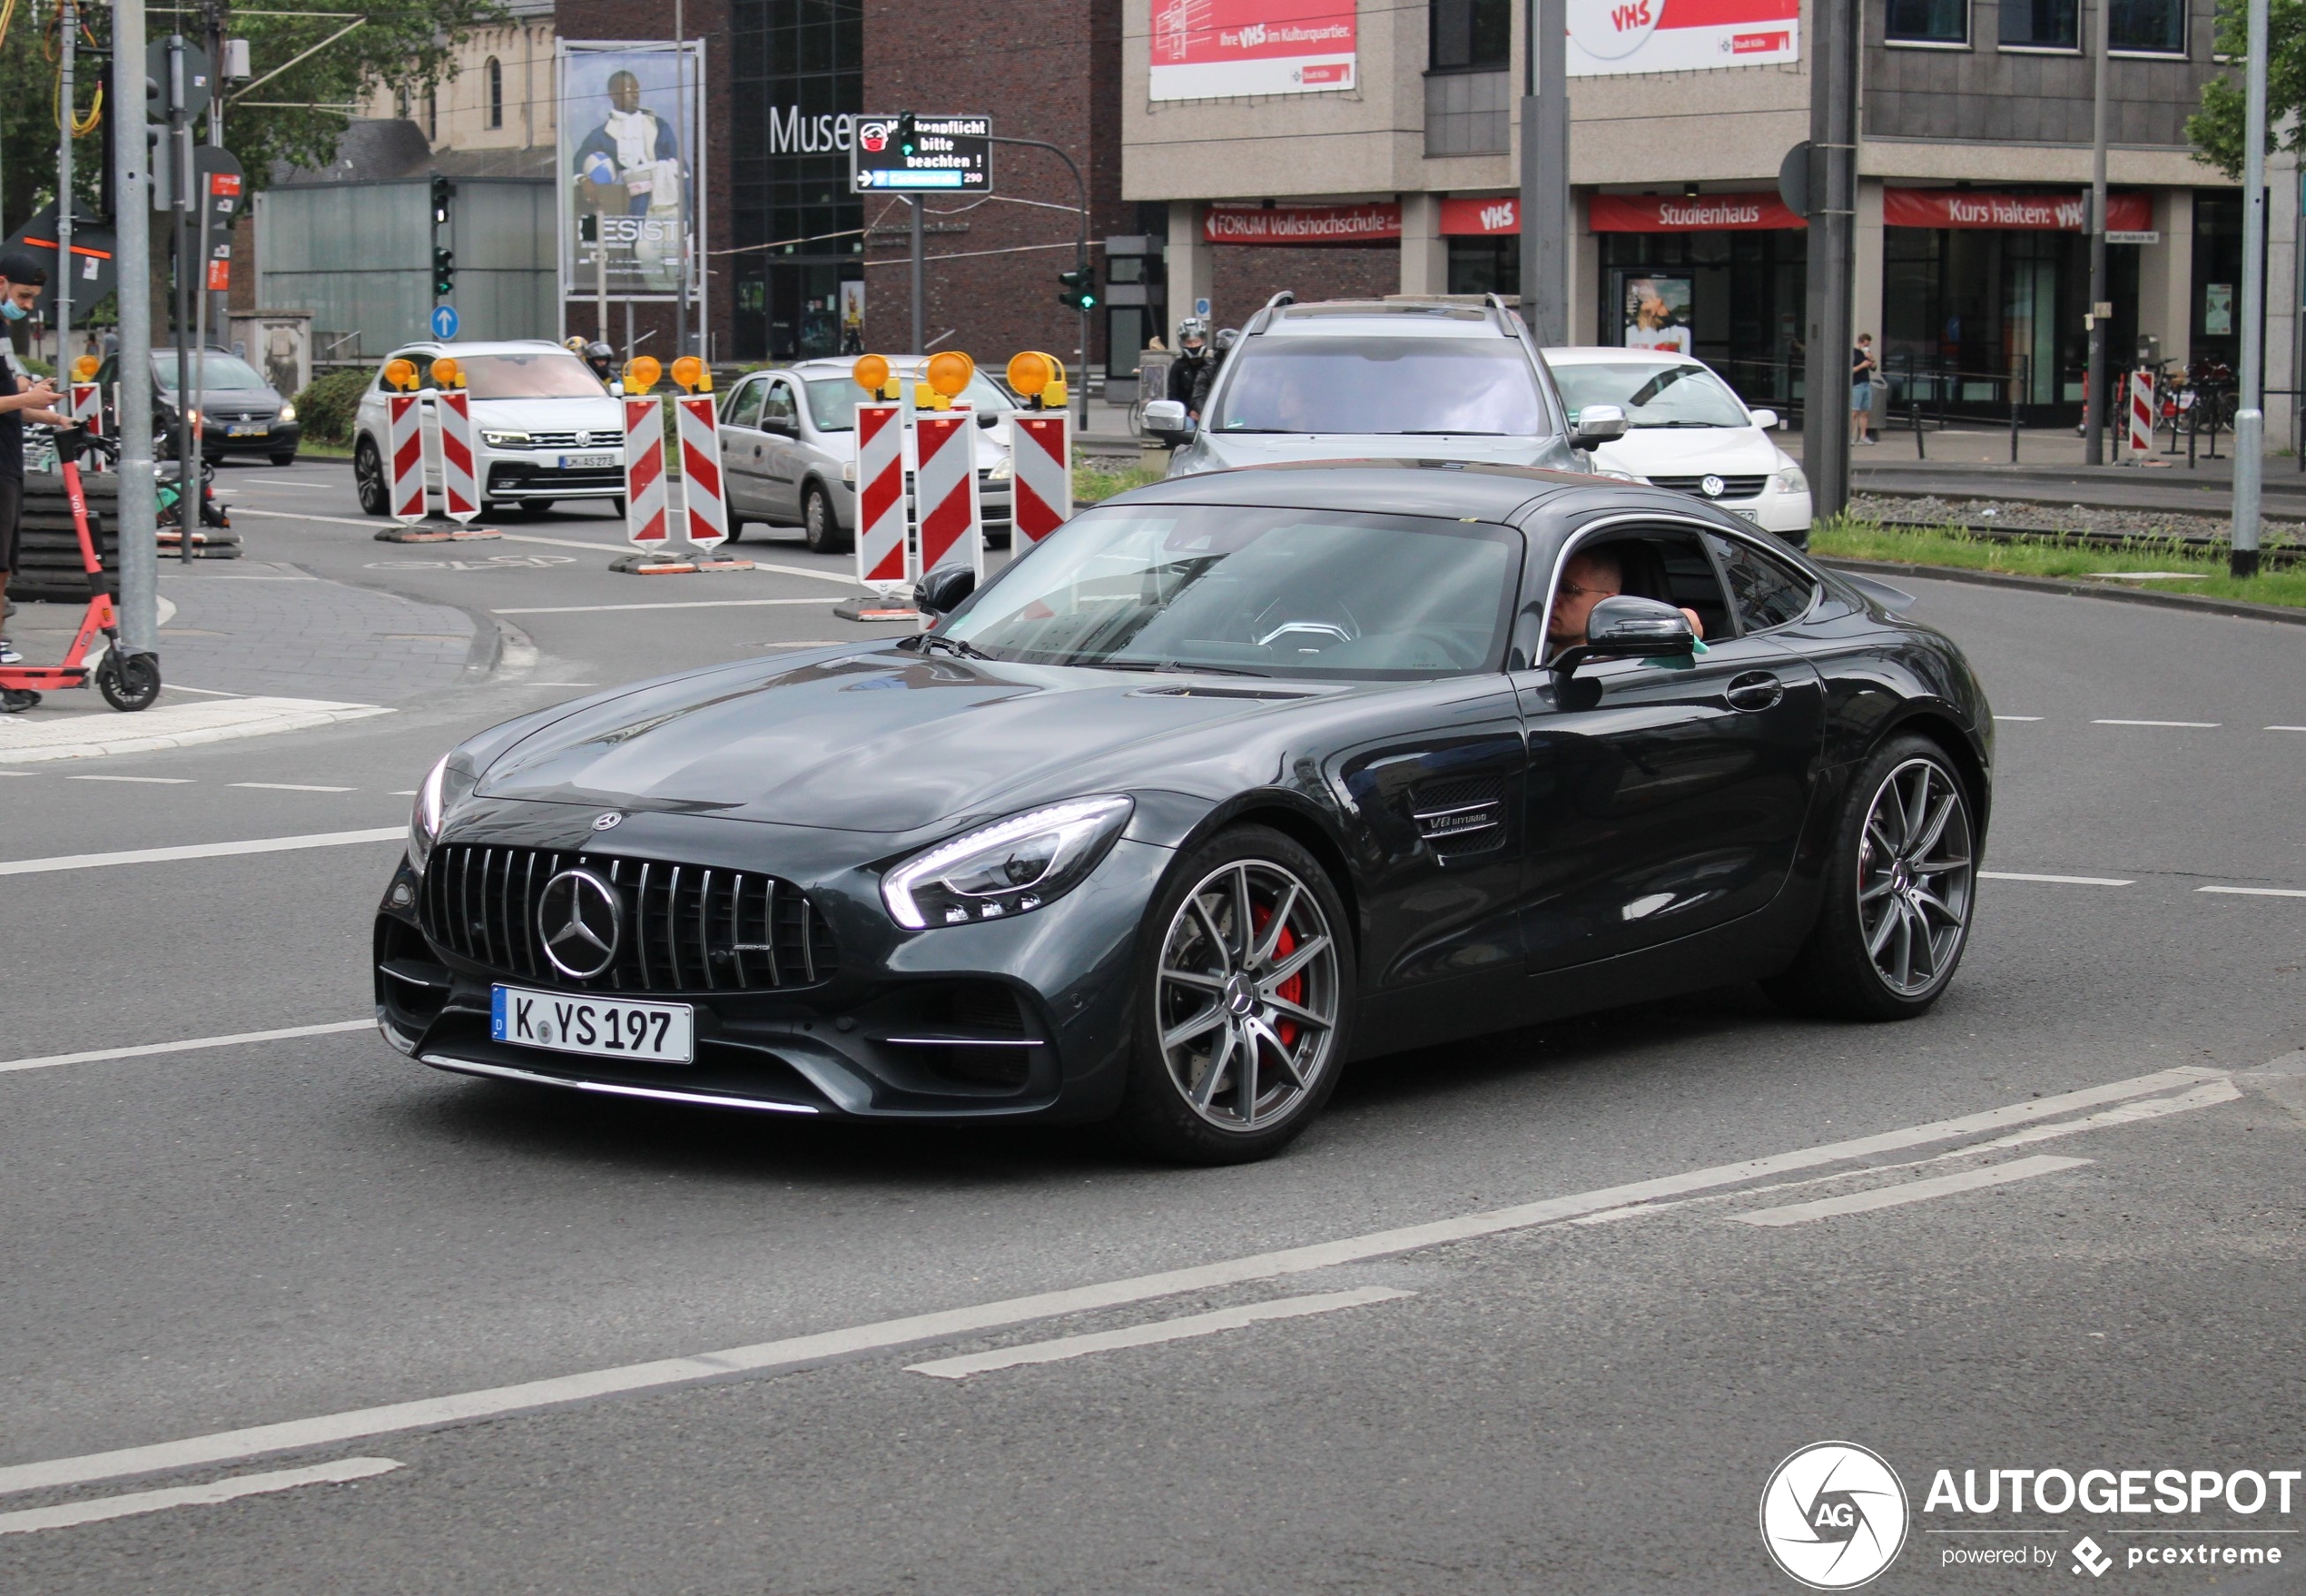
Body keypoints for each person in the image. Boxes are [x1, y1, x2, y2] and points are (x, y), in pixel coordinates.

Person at [0, 251, 71, 703]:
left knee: (4, 565)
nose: (27, 306)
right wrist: (30, 398)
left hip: (8, 462)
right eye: (23, 296)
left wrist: (54, 417)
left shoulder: (3, 334)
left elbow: (11, 403)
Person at [1546, 545, 1702, 662]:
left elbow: (1692, 621)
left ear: (1606, 602)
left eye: (1568, 589)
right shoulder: (1527, 649)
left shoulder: (1625, 659)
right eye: (1551, 587)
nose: (1553, 599)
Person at [1168, 318, 1212, 421]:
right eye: (1189, 342)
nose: (1193, 345)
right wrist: (1189, 411)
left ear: (1203, 341)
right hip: (1187, 416)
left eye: (1196, 341)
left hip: (1209, 415)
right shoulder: (1178, 367)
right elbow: (1173, 396)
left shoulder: (1211, 366)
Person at [1851, 332, 1877, 447]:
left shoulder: (1866, 353)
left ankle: (1863, 436)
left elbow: (1874, 368)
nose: (1867, 347)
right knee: (1854, 411)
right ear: (1861, 342)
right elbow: (1851, 370)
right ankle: (1851, 437)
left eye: (1868, 345)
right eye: (1866, 345)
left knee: (1865, 412)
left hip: (1866, 383)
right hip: (1856, 384)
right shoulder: (1853, 353)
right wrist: (1862, 365)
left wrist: (1872, 359)